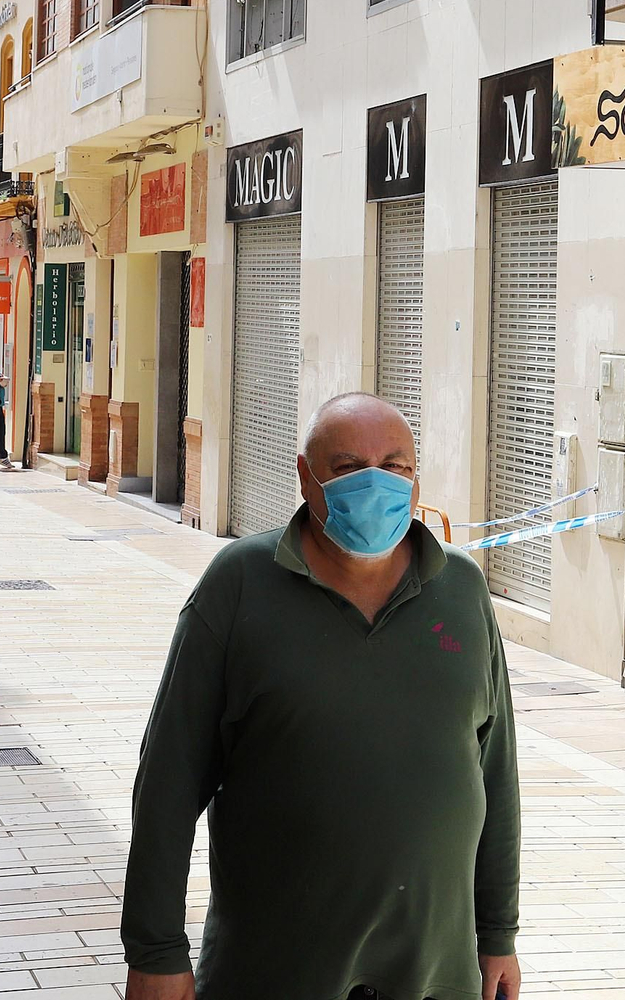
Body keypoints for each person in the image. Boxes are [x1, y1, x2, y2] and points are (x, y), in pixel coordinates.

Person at [120, 393, 522, 1000]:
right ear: (305, 477)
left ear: (416, 481)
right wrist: (155, 950)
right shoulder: (239, 586)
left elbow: (496, 778)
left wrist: (497, 933)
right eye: (348, 468)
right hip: (274, 974)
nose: (376, 482)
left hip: (437, 975)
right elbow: (167, 784)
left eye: (396, 466)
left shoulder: (461, 591)